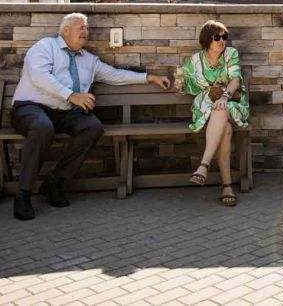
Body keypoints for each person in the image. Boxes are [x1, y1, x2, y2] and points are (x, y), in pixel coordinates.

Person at [11, 12, 170, 220]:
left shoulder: (88, 60)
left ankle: (55, 183)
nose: (86, 32)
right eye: (81, 28)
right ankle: (23, 194)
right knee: (42, 127)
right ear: (66, 30)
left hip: (65, 112)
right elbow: (40, 77)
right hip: (31, 107)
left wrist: (149, 77)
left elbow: (116, 75)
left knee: (92, 127)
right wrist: (71, 95)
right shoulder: (45, 47)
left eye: (87, 28)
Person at [177, 20, 249, 206]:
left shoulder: (231, 54)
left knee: (221, 107)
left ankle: (203, 166)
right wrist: (180, 84)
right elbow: (186, 85)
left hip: (232, 103)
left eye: (224, 37)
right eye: (217, 37)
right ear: (206, 40)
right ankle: (227, 186)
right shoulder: (195, 61)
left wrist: (224, 96)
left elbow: (234, 80)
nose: (221, 41)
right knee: (224, 128)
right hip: (205, 106)